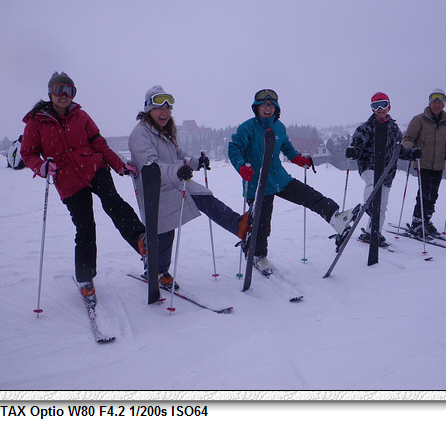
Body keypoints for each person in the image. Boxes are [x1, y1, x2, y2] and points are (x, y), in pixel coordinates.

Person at [21, 72, 146, 303]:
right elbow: (28, 153)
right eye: (59, 90)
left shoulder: (81, 116)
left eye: (69, 91)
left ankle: (141, 240)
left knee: (113, 203)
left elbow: (100, 144)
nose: (64, 95)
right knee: (85, 225)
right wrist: (41, 166)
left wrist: (119, 165)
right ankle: (86, 277)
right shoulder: (36, 122)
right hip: (68, 180)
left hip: (95, 168)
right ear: (50, 92)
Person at [129, 85, 251, 289]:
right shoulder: (140, 135)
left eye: (168, 108)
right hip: (154, 189)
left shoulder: (164, 132)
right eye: (159, 108)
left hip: (174, 182)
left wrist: (196, 162)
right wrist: (177, 171)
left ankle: (239, 225)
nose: (165, 113)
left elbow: (178, 155)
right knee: (164, 231)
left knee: (205, 197)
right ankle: (157, 270)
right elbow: (151, 165)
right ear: (149, 109)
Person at [228, 89, 358, 275]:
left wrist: (298, 159)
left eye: (271, 105)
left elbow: (286, 147)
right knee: (262, 224)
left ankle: (335, 217)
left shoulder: (279, 127)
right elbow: (234, 148)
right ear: (256, 107)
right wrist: (241, 166)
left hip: (279, 178)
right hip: (257, 182)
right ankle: (258, 255)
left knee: (309, 195)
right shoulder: (247, 128)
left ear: (276, 108)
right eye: (264, 105)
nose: (267, 108)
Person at [345, 92, 419, 247]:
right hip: (369, 166)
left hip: (387, 171)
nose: (380, 108)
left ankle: (373, 232)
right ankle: (370, 205)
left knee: (383, 205)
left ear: (389, 107)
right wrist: (353, 151)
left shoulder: (394, 129)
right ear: (372, 109)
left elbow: (398, 150)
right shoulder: (365, 128)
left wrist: (411, 154)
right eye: (376, 105)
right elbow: (358, 146)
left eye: (383, 104)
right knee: (373, 183)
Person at [402, 89, 446, 237]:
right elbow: (407, 139)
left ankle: (426, 220)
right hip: (422, 162)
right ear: (429, 103)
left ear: (443, 105)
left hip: (438, 164)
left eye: (440, 102)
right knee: (424, 193)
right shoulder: (419, 119)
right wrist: (412, 149)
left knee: (433, 194)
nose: (437, 105)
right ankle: (417, 222)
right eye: (434, 102)